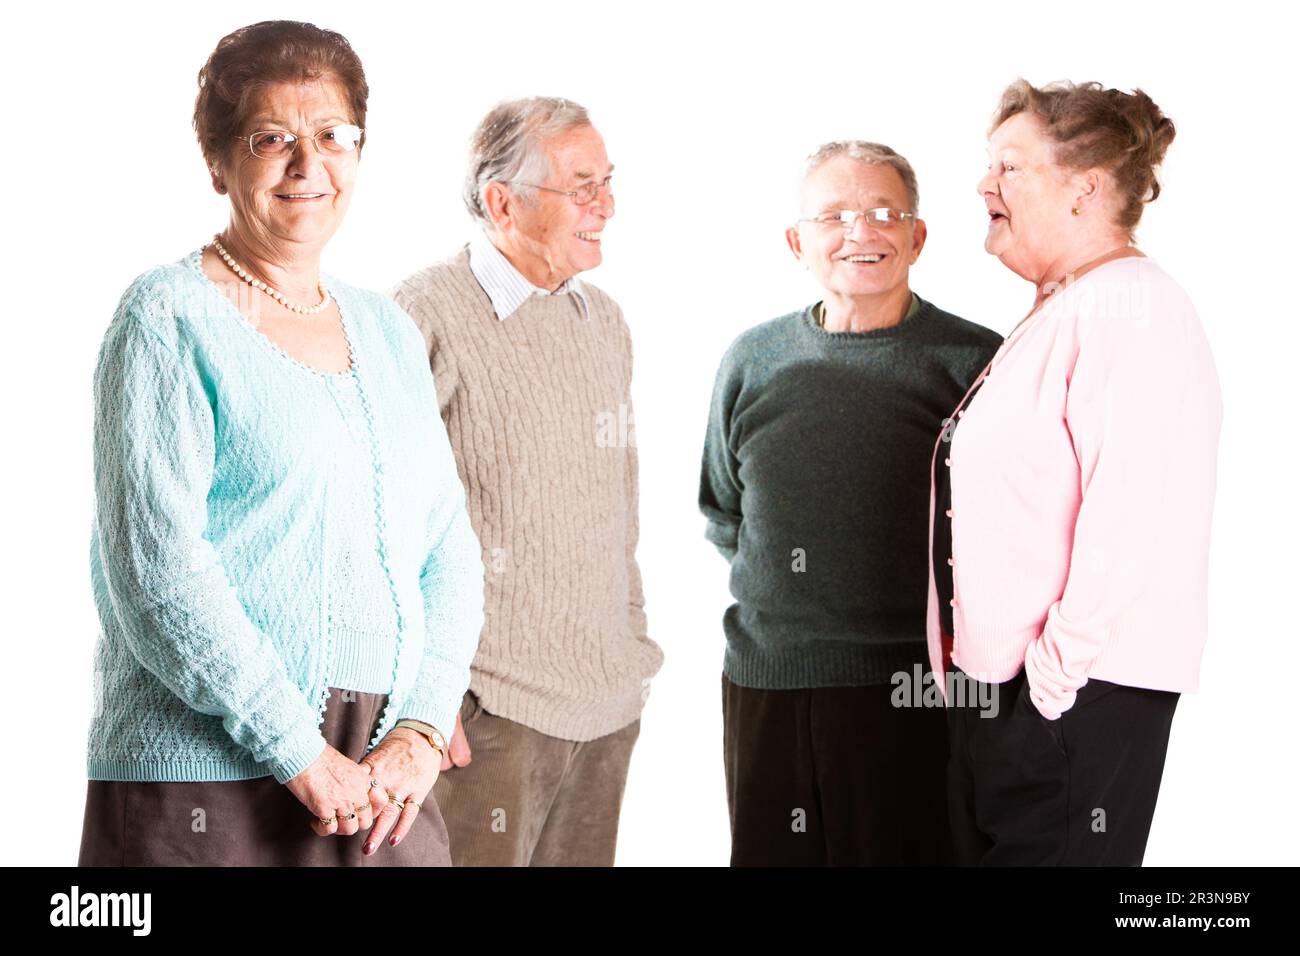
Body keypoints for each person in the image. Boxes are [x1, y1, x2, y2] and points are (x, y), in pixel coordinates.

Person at [77, 19, 484, 866]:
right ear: (219, 161)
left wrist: (420, 722)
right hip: (208, 771)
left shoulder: (390, 330)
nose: (309, 165)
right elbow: (156, 568)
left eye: (334, 136)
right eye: (273, 139)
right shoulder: (166, 318)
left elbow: (448, 543)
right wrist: (296, 748)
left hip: (382, 778)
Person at [932, 80, 1223, 865]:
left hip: (1069, 703)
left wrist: (1047, 694)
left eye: (1010, 166)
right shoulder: (1065, 306)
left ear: (1086, 188)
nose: (984, 185)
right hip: (1008, 699)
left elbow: (1127, 518)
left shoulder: (1134, 308)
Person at [699, 141, 1001, 865]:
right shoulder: (753, 358)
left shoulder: (975, 361)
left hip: (915, 689)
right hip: (771, 682)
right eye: (834, 216)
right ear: (797, 242)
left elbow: (1000, 531)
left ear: (917, 236)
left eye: (883, 213)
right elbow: (724, 509)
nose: (860, 233)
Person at [391, 97, 663, 867]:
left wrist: (629, 643)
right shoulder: (422, 312)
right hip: (485, 716)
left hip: (605, 707)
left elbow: (622, 504)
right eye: (582, 185)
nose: (605, 205)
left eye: (607, 182)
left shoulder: (602, 320)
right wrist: (421, 697)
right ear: (500, 201)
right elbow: (378, 521)